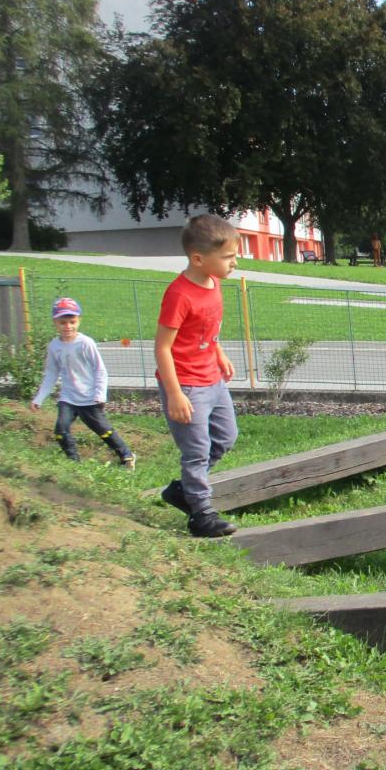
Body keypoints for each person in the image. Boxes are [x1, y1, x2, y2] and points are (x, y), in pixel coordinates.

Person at [155, 215, 241, 537]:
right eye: (228, 257)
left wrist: (218, 352)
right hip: (186, 385)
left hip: (212, 378)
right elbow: (163, 348)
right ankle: (201, 515)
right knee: (197, 451)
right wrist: (175, 393)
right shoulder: (179, 295)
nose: (234, 263)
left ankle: (183, 490)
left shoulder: (214, 283)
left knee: (226, 437)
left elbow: (205, 330)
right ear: (198, 259)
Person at [30, 297, 135, 469]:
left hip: (89, 397)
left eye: (72, 322)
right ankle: (74, 463)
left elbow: (100, 369)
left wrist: (100, 394)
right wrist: (39, 398)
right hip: (68, 398)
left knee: (103, 430)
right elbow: (51, 373)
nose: (68, 326)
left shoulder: (85, 343)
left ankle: (126, 455)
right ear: (55, 323)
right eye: (63, 322)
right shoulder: (54, 346)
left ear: (79, 321)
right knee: (60, 431)